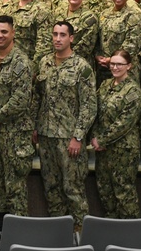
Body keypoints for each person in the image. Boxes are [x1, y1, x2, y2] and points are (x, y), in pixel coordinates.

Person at [35, 21, 97, 228]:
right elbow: (38, 97)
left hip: (69, 138)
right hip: (46, 135)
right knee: (51, 188)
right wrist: (36, 127)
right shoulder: (44, 63)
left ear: (71, 38)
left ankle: (80, 238)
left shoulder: (82, 67)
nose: (58, 38)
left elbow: (89, 106)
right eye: (55, 34)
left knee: (74, 189)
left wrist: (78, 137)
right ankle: (58, 233)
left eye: (62, 35)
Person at [0, 15, 34, 220]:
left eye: (4, 32)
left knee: (15, 187)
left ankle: (18, 239)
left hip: (14, 134)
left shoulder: (21, 62)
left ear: (13, 33)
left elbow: (20, 100)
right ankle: (0, 232)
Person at [92, 50, 141, 219]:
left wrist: (101, 139)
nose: (115, 67)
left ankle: (131, 236)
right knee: (105, 191)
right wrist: (95, 137)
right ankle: (112, 233)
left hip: (123, 150)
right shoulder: (106, 85)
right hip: (103, 150)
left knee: (124, 193)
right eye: (112, 64)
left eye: (119, 64)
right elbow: (95, 112)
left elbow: (124, 123)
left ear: (129, 66)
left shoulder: (133, 91)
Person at [95, 0, 141, 83]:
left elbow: (132, 44)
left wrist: (112, 60)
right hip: (104, 69)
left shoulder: (134, 15)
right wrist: (98, 56)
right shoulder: (104, 13)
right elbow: (98, 39)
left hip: (125, 69)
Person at [52, 0, 99, 65]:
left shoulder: (90, 17)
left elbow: (86, 47)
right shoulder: (58, 12)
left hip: (78, 64)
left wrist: (66, 58)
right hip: (56, 59)